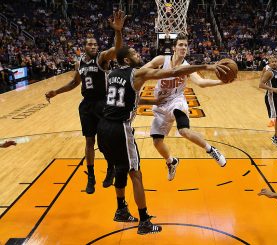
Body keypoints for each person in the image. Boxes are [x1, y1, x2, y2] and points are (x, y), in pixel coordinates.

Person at [97, 46, 229, 234]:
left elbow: (128, 98)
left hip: (103, 127)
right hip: (120, 128)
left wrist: (151, 102)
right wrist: (207, 65)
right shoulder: (138, 72)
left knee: (121, 168)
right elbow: (174, 71)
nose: (139, 54)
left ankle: (121, 210)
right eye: (134, 54)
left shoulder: (111, 74)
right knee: (135, 173)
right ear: (126, 60)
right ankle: (144, 222)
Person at [45, 10, 127, 194]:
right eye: (90, 43)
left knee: (104, 141)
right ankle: (91, 177)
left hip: (103, 103)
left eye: (95, 43)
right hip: (87, 104)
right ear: (84, 47)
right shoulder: (79, 63)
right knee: (89, 141)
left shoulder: (102, 58)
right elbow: (75, 82)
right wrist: (56, 92)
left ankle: (110, 168)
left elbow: (117, 50)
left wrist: (118, 32)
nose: (93, 45)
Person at [142, 33, 232, 181]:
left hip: (177, 100)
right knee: (157, 142)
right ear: (174, 47)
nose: (183, 47)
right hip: (160, 105)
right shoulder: (161, 60)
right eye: (180, 45)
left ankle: (211, 150)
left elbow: (201, 83)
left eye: (185, 45)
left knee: (183, 130)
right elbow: (143, 71)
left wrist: (221, 82)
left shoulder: (187, 67)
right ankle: (172, 161)